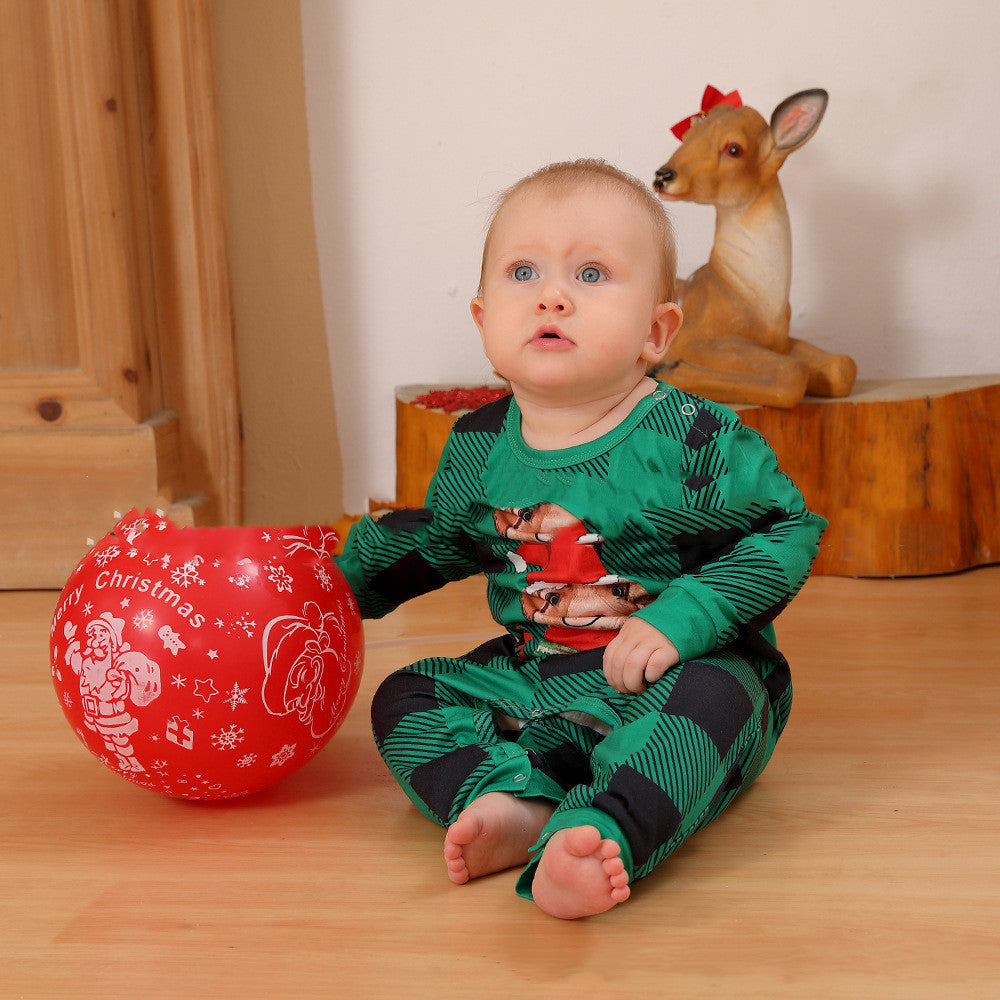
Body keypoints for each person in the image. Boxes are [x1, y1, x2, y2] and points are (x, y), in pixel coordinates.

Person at [335, 158, 826, 919]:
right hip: (540, 680)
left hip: (674, 674)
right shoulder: (479, 443)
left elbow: (788, 529)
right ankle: (511, 800)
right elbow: (438, 541)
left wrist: (681, 620)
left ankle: (605, 827)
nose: (552, 294)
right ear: (482, 319)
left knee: (715, 700)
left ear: (656, 331)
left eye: (592, 273)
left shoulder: (693, 438)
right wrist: (329, 582)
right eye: (523, 271)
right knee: (408, 694)